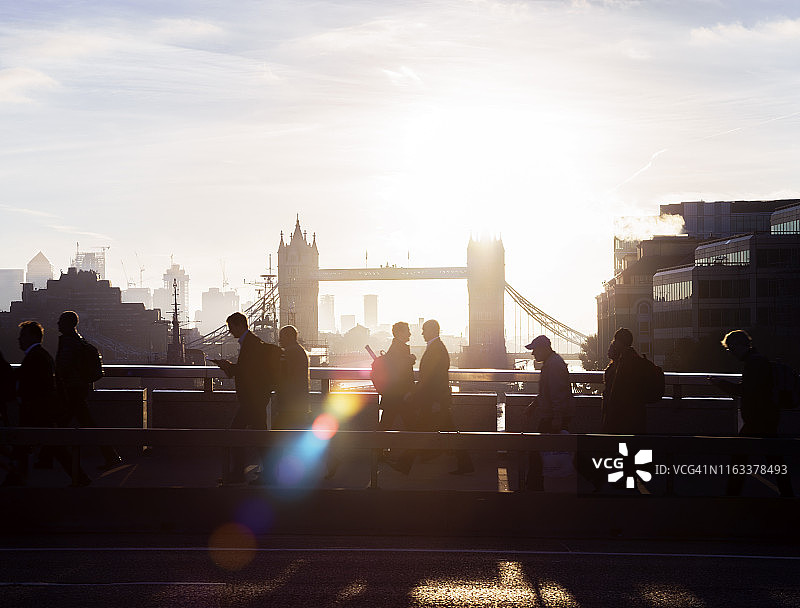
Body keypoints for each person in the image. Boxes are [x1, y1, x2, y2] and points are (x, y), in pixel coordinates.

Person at [2, 321, 90, 487]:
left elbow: (35, 385)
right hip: (41, 411)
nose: (19, 339)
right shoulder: (41, 355)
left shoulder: (35, 357)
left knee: (29, 444)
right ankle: (16, 477)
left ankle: (15, 478)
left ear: (33, 336)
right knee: (45, 445)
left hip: (36, 411)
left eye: (23, 335)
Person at [710, 330, 794, 498]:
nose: (731, 353)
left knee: (741, 456)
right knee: (773, 458)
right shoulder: (758, 361)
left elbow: (745, 390)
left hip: (757, 420)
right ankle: (787, 493)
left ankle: (733, 494)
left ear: (739, 346)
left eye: (731, 348)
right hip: (767, 417)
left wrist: (721, 383)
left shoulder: (754, 364)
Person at [390, 319, 474, 476]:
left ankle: (407, 463)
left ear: (432, 331)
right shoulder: (437, 347)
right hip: (436, 400)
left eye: (424, 330)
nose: (422, 333)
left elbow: (429, 378)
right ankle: (462, 462)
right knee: (440, 432)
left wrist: (412, 393)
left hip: (435, 401)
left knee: (421, 432)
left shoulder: (436, 349)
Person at [45, 311, 121, 472]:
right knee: (79, 424)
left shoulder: (69, 342)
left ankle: (48, 458)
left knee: (60, 425)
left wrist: (59, 386)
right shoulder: (79, 340)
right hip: (78, 390)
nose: (58, 324)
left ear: (68, 324)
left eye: (60, 321)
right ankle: (47, 457)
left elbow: (63, 368)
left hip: (71, 391)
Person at [210, 313, 281, 484]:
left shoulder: (251, 343)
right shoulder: (251, 342)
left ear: (239, 326)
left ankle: (240, 474)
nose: (230, 331)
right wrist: (231, 367)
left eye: (231, 327)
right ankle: (262, 473)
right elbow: (249, 370)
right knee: (258, 436)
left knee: (238, 434)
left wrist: (228, 367)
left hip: (252, 400)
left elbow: (247, 371)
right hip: (255, 399)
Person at [524, 334, 574, 491]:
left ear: (544, 348)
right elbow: (548, 392)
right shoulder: (551, 363)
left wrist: (557, 418)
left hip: (552, 417)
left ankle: (533, 488)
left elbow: (558, 394)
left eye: (534, 349)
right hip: (552, 416)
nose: (533, 353)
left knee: (537, 452)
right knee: (565, 449)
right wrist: (534, 405)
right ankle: (534, 486)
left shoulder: (553, 366)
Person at [601, 327, 649, 435]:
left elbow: (613, 396)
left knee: (622, 445)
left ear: (619, 343)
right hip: (637, 420)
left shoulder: (620, 366)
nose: (613, 343)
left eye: (615, 341)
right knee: (633, 445)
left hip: (619, 421)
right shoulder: (637, 361)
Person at [377, 321, 416, 431]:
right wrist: (410, 360)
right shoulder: (399, 349)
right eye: (407, 331)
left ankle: (377, 442)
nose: (410, 334)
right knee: (412, 428)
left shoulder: (396, 348)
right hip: (400, 396)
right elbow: (399, 371)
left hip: (393, 396)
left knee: (385, 426)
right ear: (400, 333)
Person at [274, 325, 310, 430]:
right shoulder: (300, 351)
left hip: (289, 403)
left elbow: (282, 375)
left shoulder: (288, 353)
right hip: (300, 402)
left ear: (289, 337)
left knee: (278, 433)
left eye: (282, 337)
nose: (279, 340)